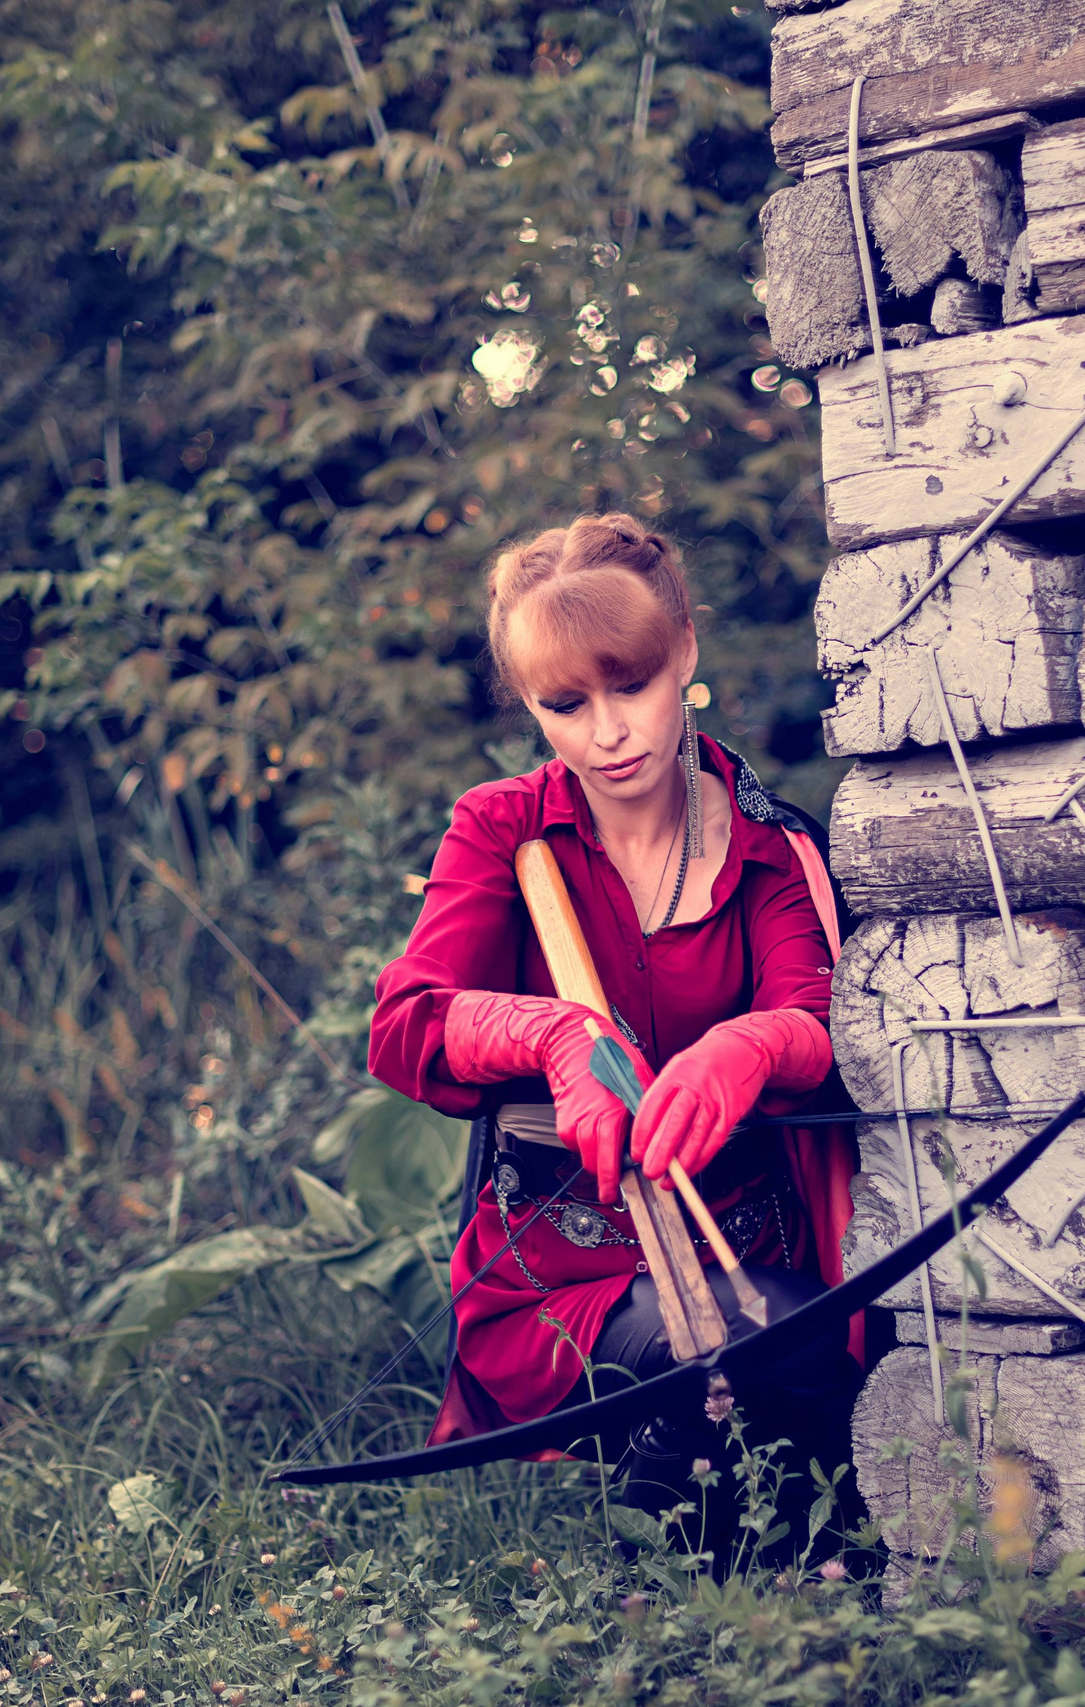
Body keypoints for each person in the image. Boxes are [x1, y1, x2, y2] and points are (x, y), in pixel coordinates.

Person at [369, 514, 862, 1555]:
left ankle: (709, 1555)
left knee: (795, 1347)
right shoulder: (503, 829)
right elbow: (405, 1025)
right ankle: (684, 1547)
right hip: (555, 1276)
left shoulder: (772, 845)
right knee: (725, 1362)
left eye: (629, 684)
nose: (608, 732)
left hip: (743, 1258)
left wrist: (753, 1047)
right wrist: (556, 1035)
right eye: (565, 704)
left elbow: (818, 1018)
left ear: (683, 649)